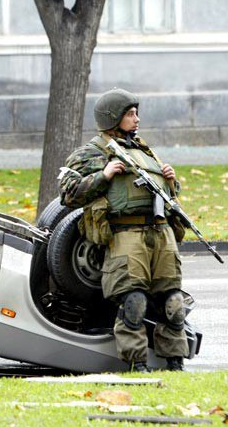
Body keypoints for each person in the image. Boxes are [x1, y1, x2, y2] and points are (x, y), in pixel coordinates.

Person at [58, 88, 189, 372]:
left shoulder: (143, 150)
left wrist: (171, 181)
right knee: (134, 302)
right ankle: (136, 361)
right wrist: (103, 176)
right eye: (130, 114)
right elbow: (68, 194)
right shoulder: (92, 153)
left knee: (174, 302)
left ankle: (175, 360)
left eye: (136, 113)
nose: (137, 119)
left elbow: (167, 197)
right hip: (126, 235)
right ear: (112, 117)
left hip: (161, 232)